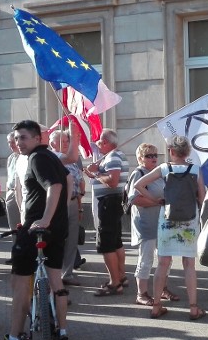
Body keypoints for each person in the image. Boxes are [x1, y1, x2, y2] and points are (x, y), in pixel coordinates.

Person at [0, 119, 70, 340]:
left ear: (37, 138)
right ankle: (62, 331)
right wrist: (58, 215)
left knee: (20, 284)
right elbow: (67, 179)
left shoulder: (37, 158)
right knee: (56, 279)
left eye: (23, 137)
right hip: (56, 229)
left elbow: (54, 186)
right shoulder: (51, 157)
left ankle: (15, 337)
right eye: (16, 138)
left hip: (36, 228)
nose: (18, 142)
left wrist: (45, 218)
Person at [133, 135, 206, 320]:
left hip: (167, 219)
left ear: (171, 152)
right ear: (187, 152)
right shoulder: (195, 170)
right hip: (189, 221)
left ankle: (156, 306)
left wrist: (155, 200)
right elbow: (202, 198)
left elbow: (138, 185)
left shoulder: (164, 168)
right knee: (189, 264)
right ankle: (193, 307)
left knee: (163, 263)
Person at [126, 143, 180, 306]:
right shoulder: (139, 173)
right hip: (146, 223)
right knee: (146, 258)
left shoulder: (158, 174)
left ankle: (163, 288)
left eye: (155, 155)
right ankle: (141, 293)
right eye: (149, 156)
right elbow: (134, 199)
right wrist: (157, 202)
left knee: (166, 258)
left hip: (162, 223)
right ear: (140, 158)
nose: (153, 158)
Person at [85, 129, 129, 296]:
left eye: (100, 142)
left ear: (106, 143)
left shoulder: (112, 157)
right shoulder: (115, 156)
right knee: (116, 241)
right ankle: (121, 276)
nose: (97, 144)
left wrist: (95, 173)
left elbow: (113, 181)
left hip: (109, 203)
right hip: (113, 201)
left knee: (106, 244)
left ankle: (114, 282)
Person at [48, 125, 82, 286]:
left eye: (67, 140)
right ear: (52, 144)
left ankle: (67, 273)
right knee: (57, 238)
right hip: (59, 203)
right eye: (61, 141)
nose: (66, 143)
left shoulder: (73, 159)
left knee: (72, 239)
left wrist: (80, 205)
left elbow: (79, 182)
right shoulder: (52, 158)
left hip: (74, 201)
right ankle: (54, 274)